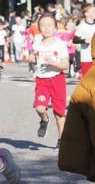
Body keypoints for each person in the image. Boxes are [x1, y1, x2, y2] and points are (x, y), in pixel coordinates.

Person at [29, 13, 70, 143]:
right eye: (43, 25)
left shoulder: (60, 44)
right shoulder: (37, 44)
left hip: (57, 79)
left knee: (59, 113)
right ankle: (44, 119)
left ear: (55, 28)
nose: (46, 28)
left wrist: (54, 63)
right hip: (42, 80)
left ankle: (61, 139)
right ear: (39, 28)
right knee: (39, 108)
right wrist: (31, 60)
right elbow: (34, 59)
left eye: (49, 25)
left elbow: (66, 65)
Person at [73, 4, 95, 78]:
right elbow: (75, 40)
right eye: (93, 11)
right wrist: (84, 40)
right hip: (86, 57)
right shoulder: (82, 26)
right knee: (87, 79)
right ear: (86, 14)